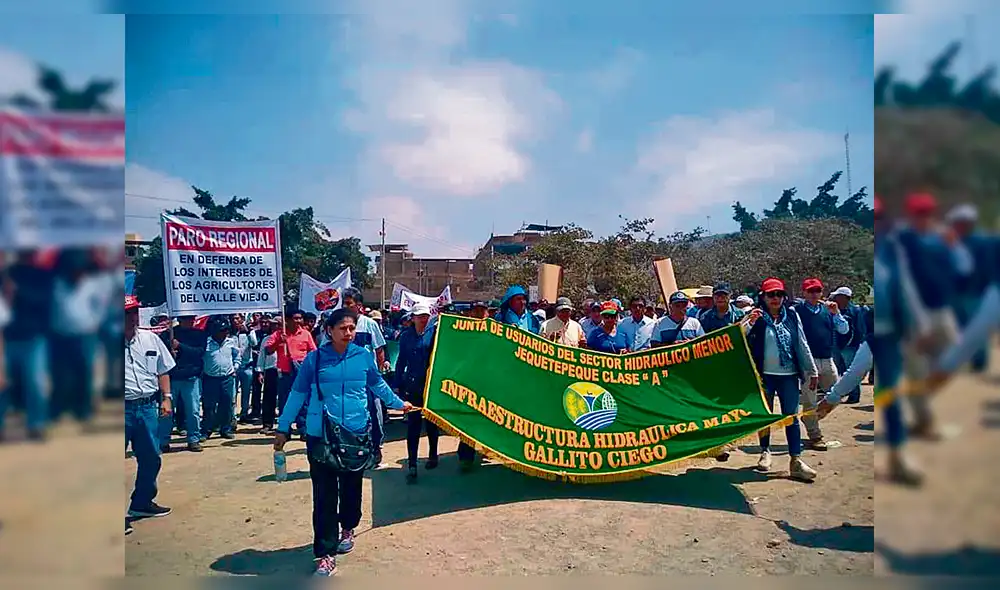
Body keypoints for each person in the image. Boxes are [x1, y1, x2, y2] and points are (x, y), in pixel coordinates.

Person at [273, 307, 413, 576]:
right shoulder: (314, 360)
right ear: (329, 331)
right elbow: (297, 394)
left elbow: (378, 385)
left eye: (352, 328)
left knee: (351, 488)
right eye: (343, 328)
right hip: (321, 435)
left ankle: (348, 527)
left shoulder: (363, 356)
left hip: (355, 433)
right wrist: (282, 428)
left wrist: (398, 403)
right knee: (324, 496)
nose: (348, 333)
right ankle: (325, 553)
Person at [744, 278, 819, 482]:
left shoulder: (792, 316)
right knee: (765, 415)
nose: (775, 298)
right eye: (771, 295)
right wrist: (749, 323)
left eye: (779, 294)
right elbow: (739, 337)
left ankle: (796, 460)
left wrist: (812, 370)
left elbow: (801, 343)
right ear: (763, 297)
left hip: (789, 376)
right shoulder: (756, 316)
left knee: (791, 417)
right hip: (764, 376)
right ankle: (765, 451)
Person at [124, 295, 175, 534]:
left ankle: (142, 502)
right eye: (126, 313)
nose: (131, 317)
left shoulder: (150, 339)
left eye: (134, 312)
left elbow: (163, 369)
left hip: (146, 407)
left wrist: (167, 397)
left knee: (151, 457)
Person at [792, 278, 849, 451]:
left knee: (838, 393)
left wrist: (836, 314)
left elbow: (844, 329)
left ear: (822, 292)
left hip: (827, 358)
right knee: (809, 399)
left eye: (817, 290)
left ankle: (811, 418)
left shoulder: (828, 310)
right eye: (810, 291)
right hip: (808, 361)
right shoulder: (796, 310)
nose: (814, 294)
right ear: (804, 292)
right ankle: (815, 435)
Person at [393, 303, 442, 483]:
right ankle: (412, 463)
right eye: (420, 316)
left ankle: (433, 455)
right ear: (412, 318)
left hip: (430, 385)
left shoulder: (434, 333)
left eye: (425, 316)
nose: (423, 319)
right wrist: (397, 384)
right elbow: (401, 361)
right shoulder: (406, 336)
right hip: (412, 386)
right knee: (413, 425)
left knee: (432, 423)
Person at [946, 203, 994, 373]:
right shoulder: (954, 241)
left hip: (976, 292)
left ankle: (979, 361)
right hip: (957, 292)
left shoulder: (981, 242)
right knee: (960, 327)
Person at [264, 308, 317, 438]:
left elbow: (313, 352)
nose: (298, 321)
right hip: (285, 373)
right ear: (287, 320)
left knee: (303, 401)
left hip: (302, 372)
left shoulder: (306, 334)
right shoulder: (278, 334)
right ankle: (285, 430)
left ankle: (303, 428)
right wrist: (279, 341)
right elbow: (268, 351)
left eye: (300, 318)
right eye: (295, 318)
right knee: (285, 401)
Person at [167, 314, 207, 452]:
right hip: (172, 378)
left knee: (193, 411)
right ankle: (163, 440)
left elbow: (199, 352)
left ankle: (194, 439)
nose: (190, 321)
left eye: (192, 319)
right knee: (167, 411)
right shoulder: (169, 334)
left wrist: (180, 346)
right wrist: (170, 351)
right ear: (179, 320)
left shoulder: (199, 334)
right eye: (187, 319)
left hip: (191, 378)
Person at [201, 317, 240, 440]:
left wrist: (235, 367)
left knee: (227, 404)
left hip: (227, 378)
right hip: (210, 378)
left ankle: (225, 429)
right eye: (221, 330)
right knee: (209, 406)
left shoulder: (231, 342)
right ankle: (206, 430)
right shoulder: (206, 343)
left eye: (226, 330)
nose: (224, 333)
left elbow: (237, 356)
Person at [830, 286, 866, 404]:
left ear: (844, 297)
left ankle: (854, 396)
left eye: (837, 296)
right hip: (837, 345)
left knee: (852, 371)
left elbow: (859, 329)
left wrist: (856, 343)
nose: (835, 299)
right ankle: (845, 392)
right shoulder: (836, 310)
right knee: (840, 370)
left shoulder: (855, 311)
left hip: (850, 347)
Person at [232, 314, 258, 424]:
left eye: (237, 318)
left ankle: (244, 414)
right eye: (233, 318)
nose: (235, 321)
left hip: (247, 366)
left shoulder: (249, 332)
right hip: (233, 368)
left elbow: (254, 343)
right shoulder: (229, 333)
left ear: (242, 319)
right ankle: (232, 417)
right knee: (232, 394)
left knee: (246, 393)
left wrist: (248, 332)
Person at [257, 316, 281, 434]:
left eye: (276, 324)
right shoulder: (266, 339)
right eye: (272, 324)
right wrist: (260, 372)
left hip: (285, 370)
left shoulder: (287, 337)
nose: (273, 326)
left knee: (284, 398)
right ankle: (267, 423)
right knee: (268, 398)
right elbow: (262, 356)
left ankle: (284, 424)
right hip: (271, 369)